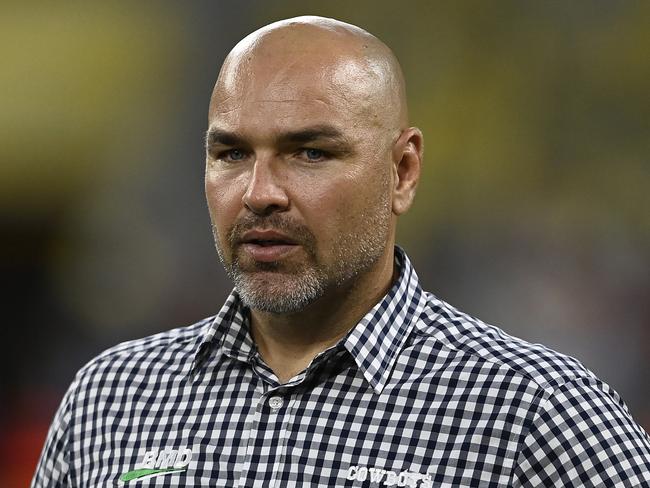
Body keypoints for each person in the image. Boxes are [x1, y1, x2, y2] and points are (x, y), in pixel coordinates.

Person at [33, 16, 650, 488]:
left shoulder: (540, 416)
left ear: (402, 171)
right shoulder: (108, 402)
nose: (260, 194)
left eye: (311, 153)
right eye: (231, 154)